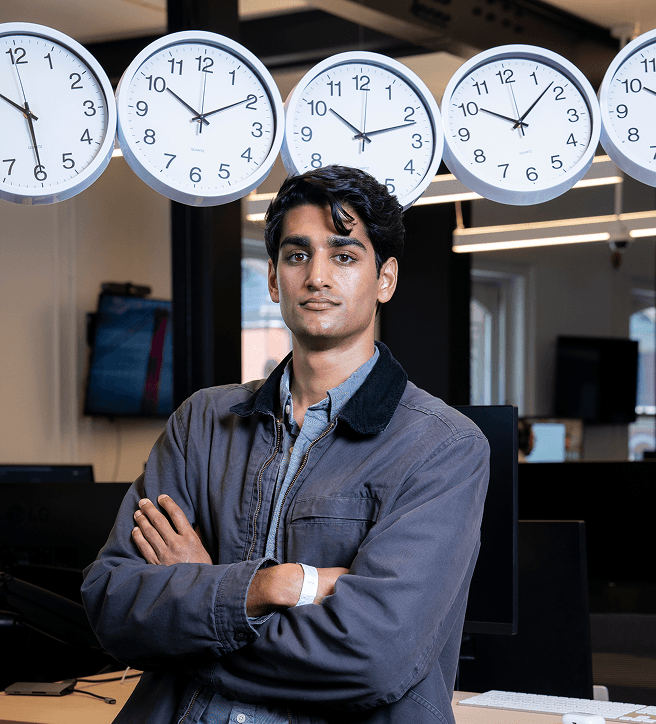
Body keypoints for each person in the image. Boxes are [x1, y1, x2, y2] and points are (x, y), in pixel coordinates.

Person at [81, 165, 490, 724]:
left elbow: (370, 656)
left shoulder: (442, 446)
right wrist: (274, 585)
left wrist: (199, 605)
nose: (317, 276)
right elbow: (112, 601)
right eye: (298, 255)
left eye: (344, 256)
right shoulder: (203, 421)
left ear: (385, 279)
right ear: (274, 279)